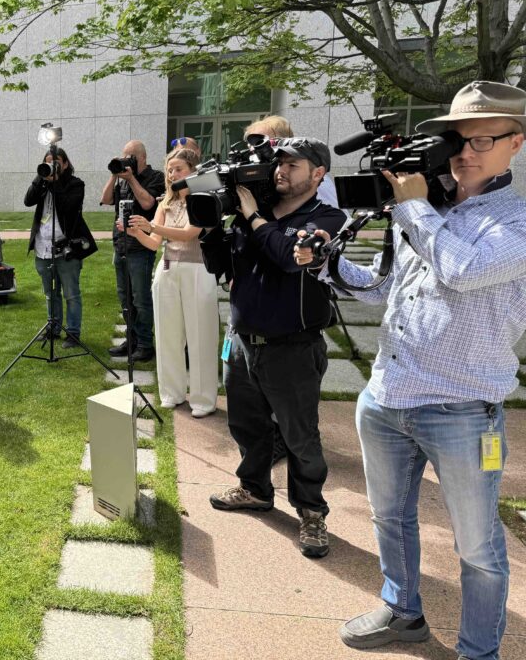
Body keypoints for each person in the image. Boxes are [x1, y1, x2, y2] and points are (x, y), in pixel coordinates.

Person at [295, 81, 526, 659]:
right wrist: (327, 262)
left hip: (462, 408)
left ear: (515, 144)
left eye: (483, 140)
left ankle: (479, 651)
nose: (466, 152)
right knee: (390, 519)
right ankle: (403, 612)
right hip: (386, 395)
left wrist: (411, 204)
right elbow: (379, 289)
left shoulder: (515, 221)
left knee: (477, 547)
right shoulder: (424, 212)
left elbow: (462, 270)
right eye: (457, 140)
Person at [199, 137, 347, 558]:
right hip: (242, 340)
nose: (282, 171)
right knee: (247, 426)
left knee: (300, 436)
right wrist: (213, 230)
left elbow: (288, 256)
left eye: (294, 165)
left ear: (318, 173)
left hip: (293, 347)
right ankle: (254, 489)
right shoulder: (254, 216)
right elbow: (222, 268)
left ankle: (312, 512)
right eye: (279, 164)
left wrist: (252, 216)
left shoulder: (328, 218)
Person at [123, 144, 220, 417]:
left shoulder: (205, 200)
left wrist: (151, 225)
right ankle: (172, 392)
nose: (172, 173)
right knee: (167, 336)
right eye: (169, 170)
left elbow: (189, 233)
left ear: (192, 170)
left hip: (199, 270)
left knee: (200, 336)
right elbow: (154, 244)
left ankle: (203, 400)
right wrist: (136, 232)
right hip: (166, 270)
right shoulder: (166, 202)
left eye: (178, 169)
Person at [24, 147, 98, 348]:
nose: (51, 165)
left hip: (67, 249)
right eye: (48, 161)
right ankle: (53, 327)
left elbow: (68, 207)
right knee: (50, 293)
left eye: (55, 162)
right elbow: (28, 201)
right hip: (43, 248)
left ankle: (73, 333)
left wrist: (55, 182)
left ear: (65, 164)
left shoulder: (75, 184)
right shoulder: (43, 185)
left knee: (71, 294)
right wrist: (40, 178)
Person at [100, 139, 166, 362]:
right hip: (120, 246)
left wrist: (132, 179)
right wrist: (114, 175)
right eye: (123, 157)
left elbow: (148, 204)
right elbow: (105, 199)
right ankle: (132, 339)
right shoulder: (123, 181)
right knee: (124, 297)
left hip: (141, 247)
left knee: (141, 298)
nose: (126, 161)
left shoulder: (156, 177)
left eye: (130, 157)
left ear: (142, 158)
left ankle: (146, 344)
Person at [245, 116, 339, 207]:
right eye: (251, 146)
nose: (254, 150)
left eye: (261, 144)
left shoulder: (312, 178)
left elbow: (338, 220)